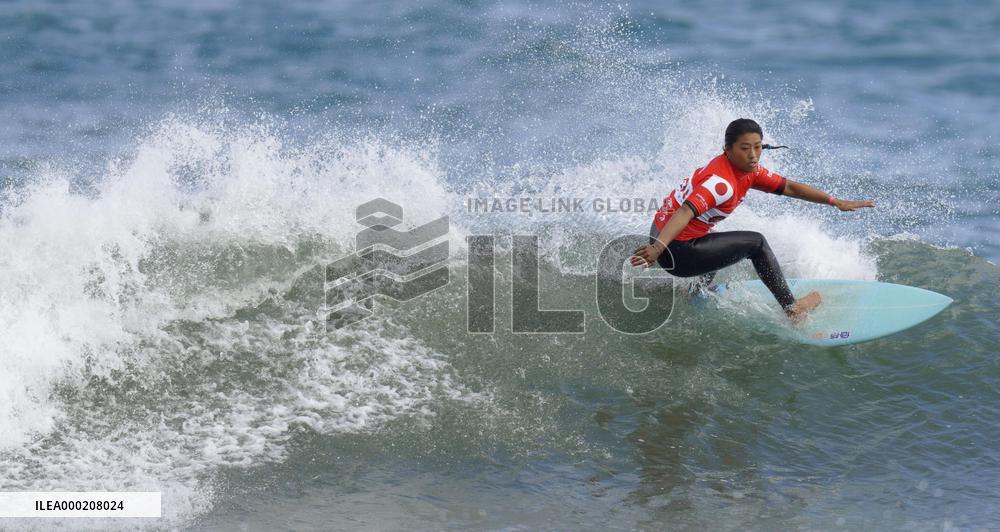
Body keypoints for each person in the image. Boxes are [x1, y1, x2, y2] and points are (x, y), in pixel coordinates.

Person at [630, 118, 875, 321]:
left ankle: (694, 292)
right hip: (673, 249)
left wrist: (834, 201)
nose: (753, 155)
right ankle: (793, 309)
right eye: (745, 148)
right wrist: (657, 249)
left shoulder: (746, 170)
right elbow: (685, 211)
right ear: (727, 149)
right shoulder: (721, 184)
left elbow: (789, 187)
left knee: (714, 238)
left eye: (758, 147)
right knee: (756, 243)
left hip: (663, 234)